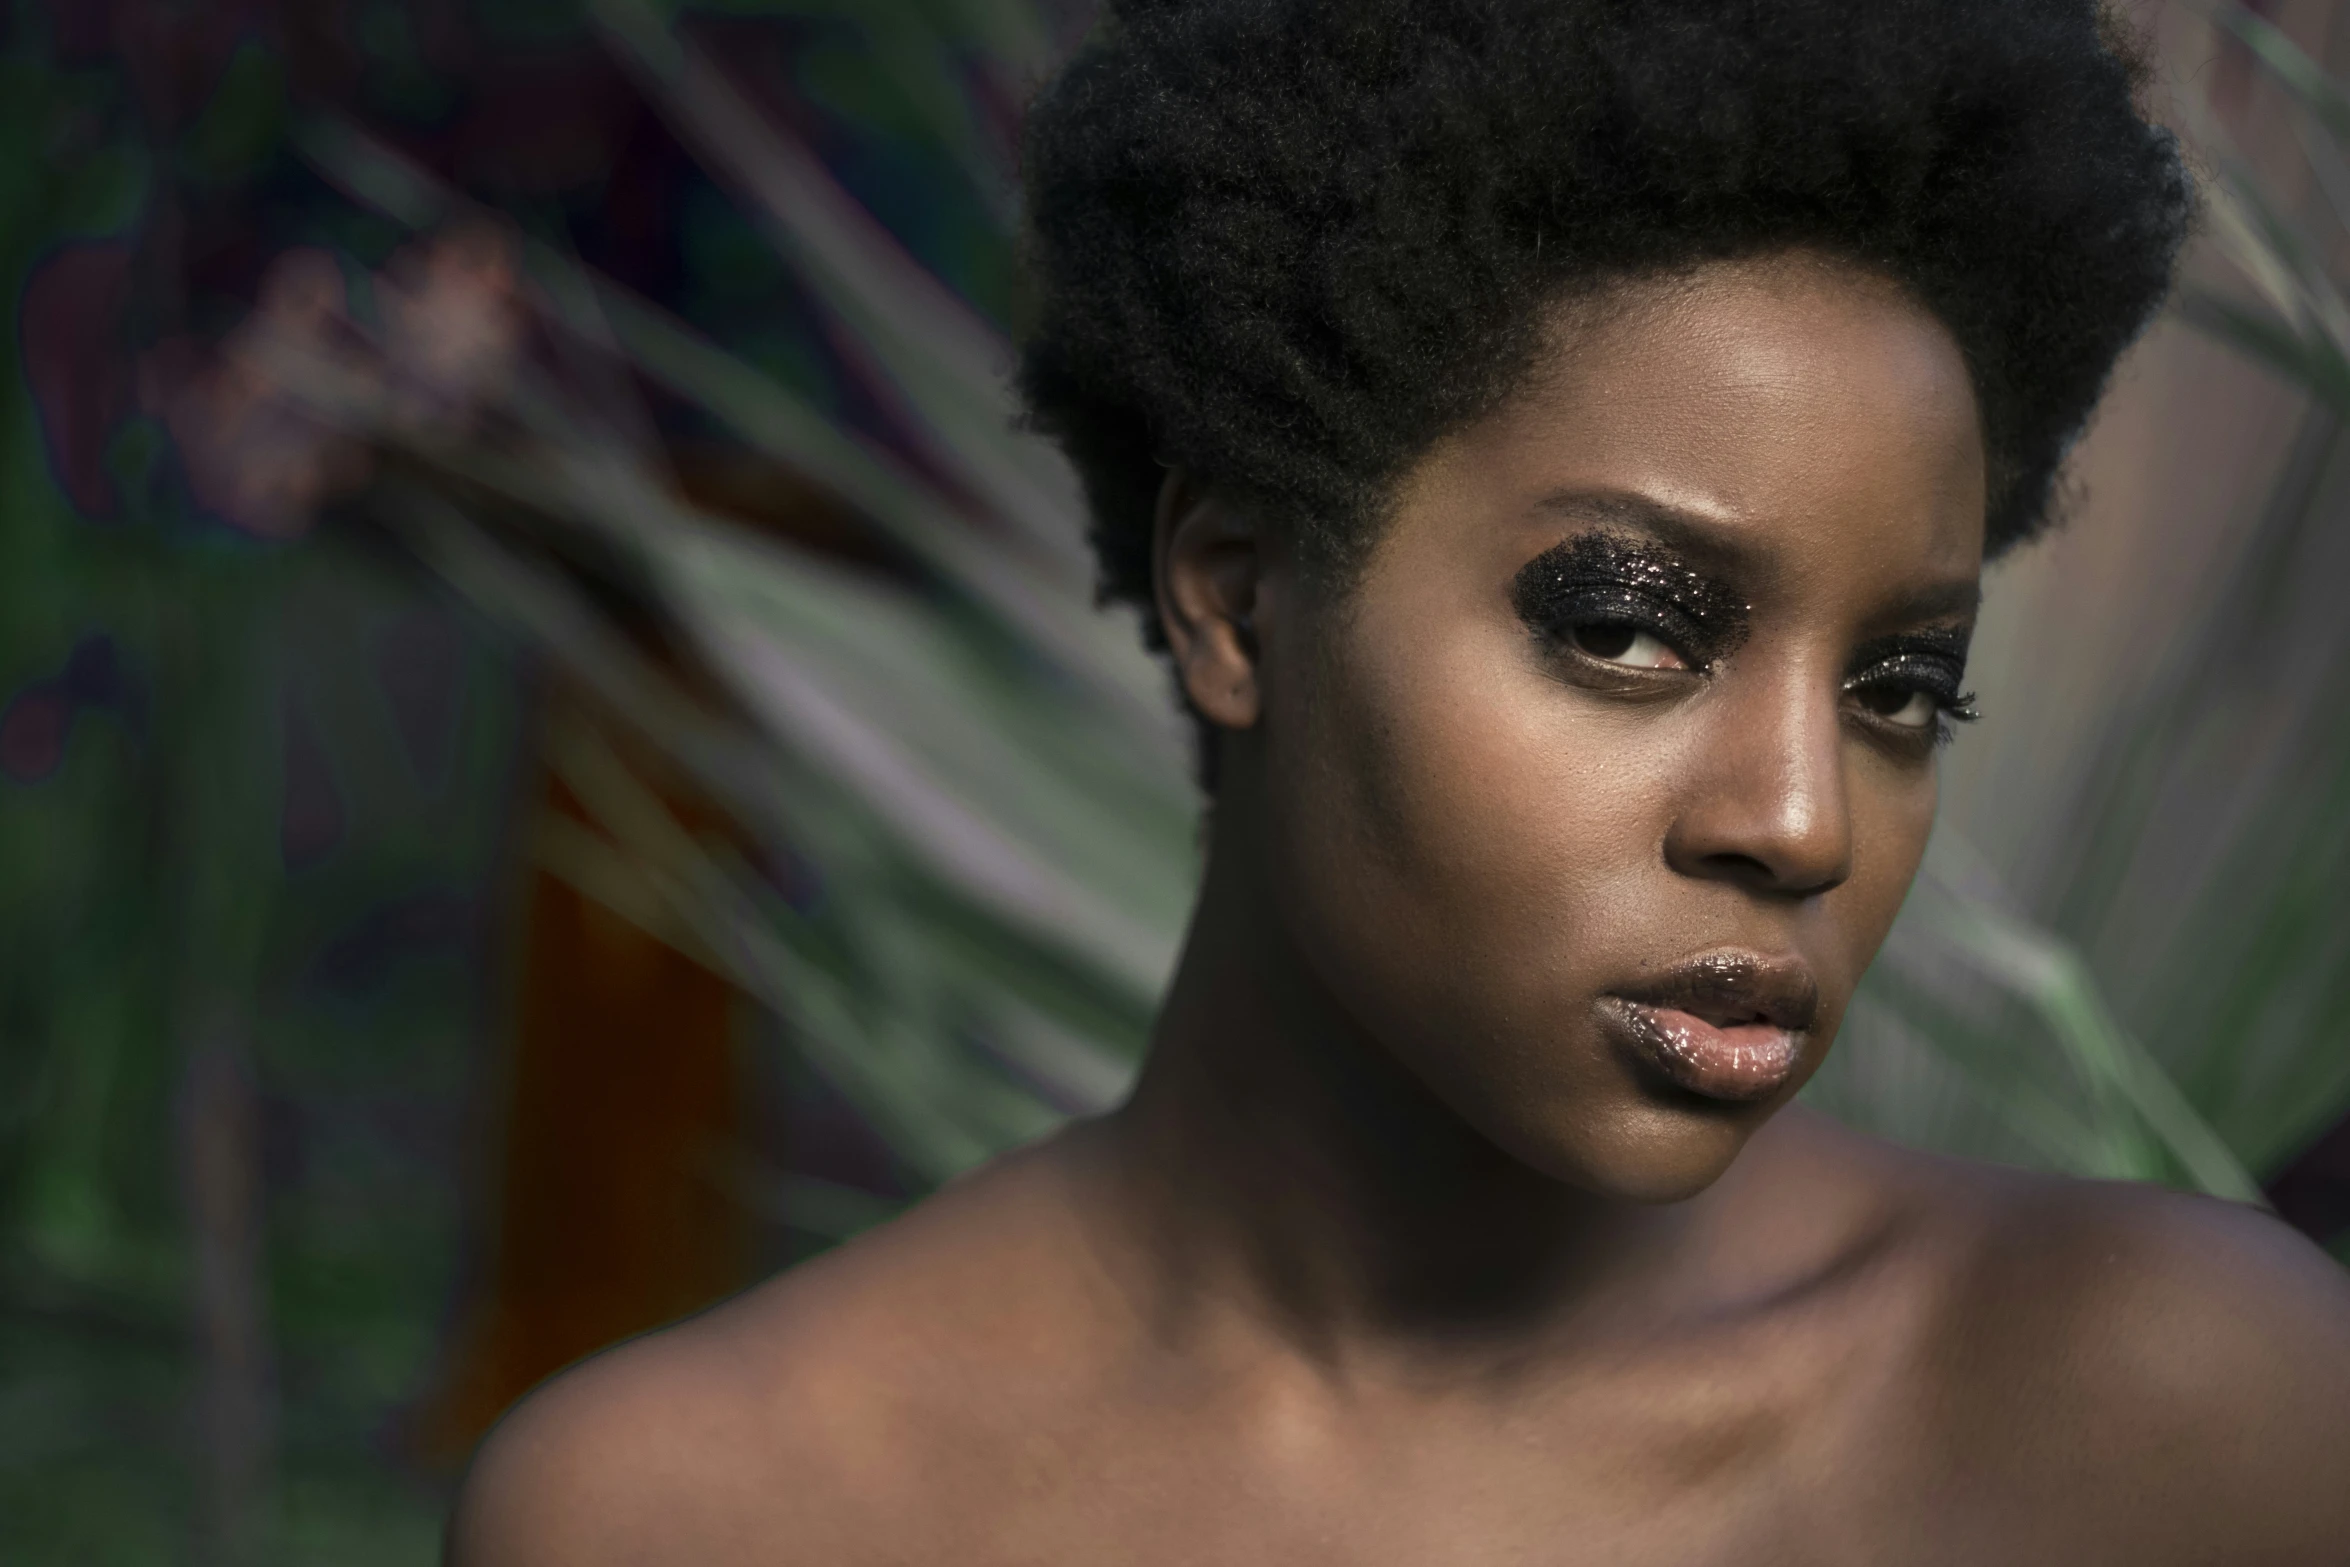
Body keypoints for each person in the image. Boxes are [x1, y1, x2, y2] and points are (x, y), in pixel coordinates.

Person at [448, 1, 2350, 1560]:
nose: (1798, 818)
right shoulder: (707, 1512)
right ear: (1235, 597)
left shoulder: (2172, 1412)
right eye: (1625, 624)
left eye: (1899, 683)